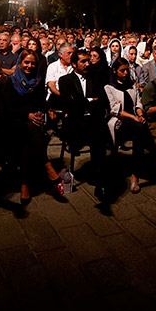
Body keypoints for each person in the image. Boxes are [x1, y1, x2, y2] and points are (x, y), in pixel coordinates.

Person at [0, 50, 66, 213]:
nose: (29, 66)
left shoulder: (38, 82)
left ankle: (24, 184)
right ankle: (47, 166)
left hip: (32, 124)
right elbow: (7, 108)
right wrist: (27, 114)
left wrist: (40, 114)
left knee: (28, 138)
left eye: (33, 63)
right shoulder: (11, 82)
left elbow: (41, 103)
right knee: (27, 130)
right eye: (26, 62)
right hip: (12, 123)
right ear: (20, 63)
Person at [57, 49, 111, 202]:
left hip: (93, 120)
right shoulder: (65, 80)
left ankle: (100, 180)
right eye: (83, 61)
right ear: (74, 64)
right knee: (96, 131)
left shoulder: (95, 79)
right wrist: (89, 101)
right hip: (75, 122)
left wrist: (85, 102)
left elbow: (103, 101)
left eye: (88, 61)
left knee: (100, 130)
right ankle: (98, 173)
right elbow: (69, 105)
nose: (88, 64)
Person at [105, 57, 156, 193]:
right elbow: (114, 109)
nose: (126, 73)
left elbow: (138, 103)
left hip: (134, 121)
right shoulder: (109, 87)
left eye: (127, 70)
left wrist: (140, 115)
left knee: (139, 132)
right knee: (141, 128)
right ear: (115, 71)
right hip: (119, 121)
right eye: (122, 71)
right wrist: (134, 117)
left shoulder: (132, 85)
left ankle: (135, 175)